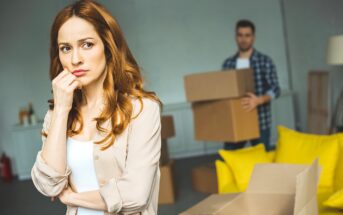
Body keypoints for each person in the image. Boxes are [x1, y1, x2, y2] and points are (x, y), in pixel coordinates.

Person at [31, 1, 162, 214]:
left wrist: (73, 197)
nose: (75, 59)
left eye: (87, 45)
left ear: (108, 47)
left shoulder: (142, 110)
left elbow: (136, 194)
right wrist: (62, 109)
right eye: (66, 48)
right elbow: (49, 185)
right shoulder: (57, 115)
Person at [222, 19, 280, 151]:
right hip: (236, 122)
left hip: (260, 121)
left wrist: (259, 100)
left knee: (263, 161)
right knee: (228, 159)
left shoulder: (264, 61)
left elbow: (276, 89)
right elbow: (224, 93)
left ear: (253, 37)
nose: (243, 39)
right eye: (240, 35)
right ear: (236, 37)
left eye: (247, 35)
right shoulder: (228, 64)